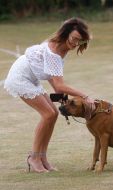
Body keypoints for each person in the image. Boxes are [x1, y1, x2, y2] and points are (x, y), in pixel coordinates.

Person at [4, 17, 94, 173]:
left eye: (79, 42)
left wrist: (62, 99)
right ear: (66, 34)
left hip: (32, 79)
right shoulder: (54, 53)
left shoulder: (62, 49)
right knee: (47, 114)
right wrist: (85, 96)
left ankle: (42, 157)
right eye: (74, 39)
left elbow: (55, 82)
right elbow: (59, 84)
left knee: (53, 114)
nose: (75, 44)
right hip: (20, 78)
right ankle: (33, 158)